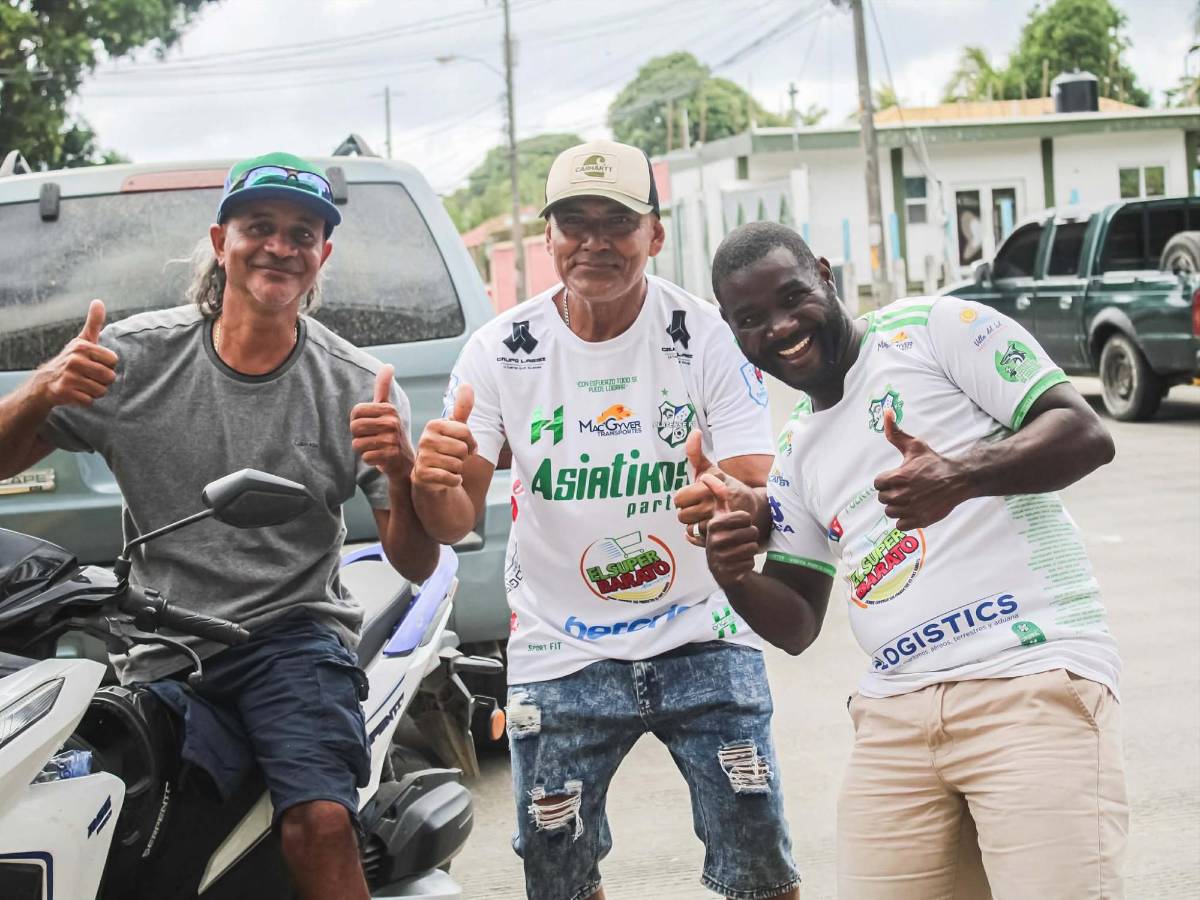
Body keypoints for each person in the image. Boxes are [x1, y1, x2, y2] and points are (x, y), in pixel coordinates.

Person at [0, 151, 438, 900]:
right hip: (160, 641)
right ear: (219, 241)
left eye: (302, 233)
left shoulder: (358, 385)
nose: (280, 245)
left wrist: (401, 471)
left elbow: (416, 560)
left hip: (292, 637)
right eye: (259, 226)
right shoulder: (134, 358)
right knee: (121, 839)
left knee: (321, 824)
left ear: (321, 255)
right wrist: (40, 390)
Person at [411, 139, 800, 900]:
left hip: (702, 630)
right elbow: (453, 517)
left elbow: (755, 480)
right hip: (559, 645)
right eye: (573, 222)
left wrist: (721, 497)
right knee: (556, 872)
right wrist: (430, 478)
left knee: (761, 861)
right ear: (548, 238)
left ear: (654, 235)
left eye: (617, 221)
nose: (595, 242)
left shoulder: (704, 334)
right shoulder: (500, 351)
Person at [699, 221, 1127, 900]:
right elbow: (796, 624)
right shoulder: (797, 453)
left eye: (791, 298)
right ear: (733, 331)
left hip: (1031, 680)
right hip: (894, 717)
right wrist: (733, 576)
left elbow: (1083, 433)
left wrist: (962, 473)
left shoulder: (936, 329)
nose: (779, 328)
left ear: (825, 274)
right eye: (751, 319)